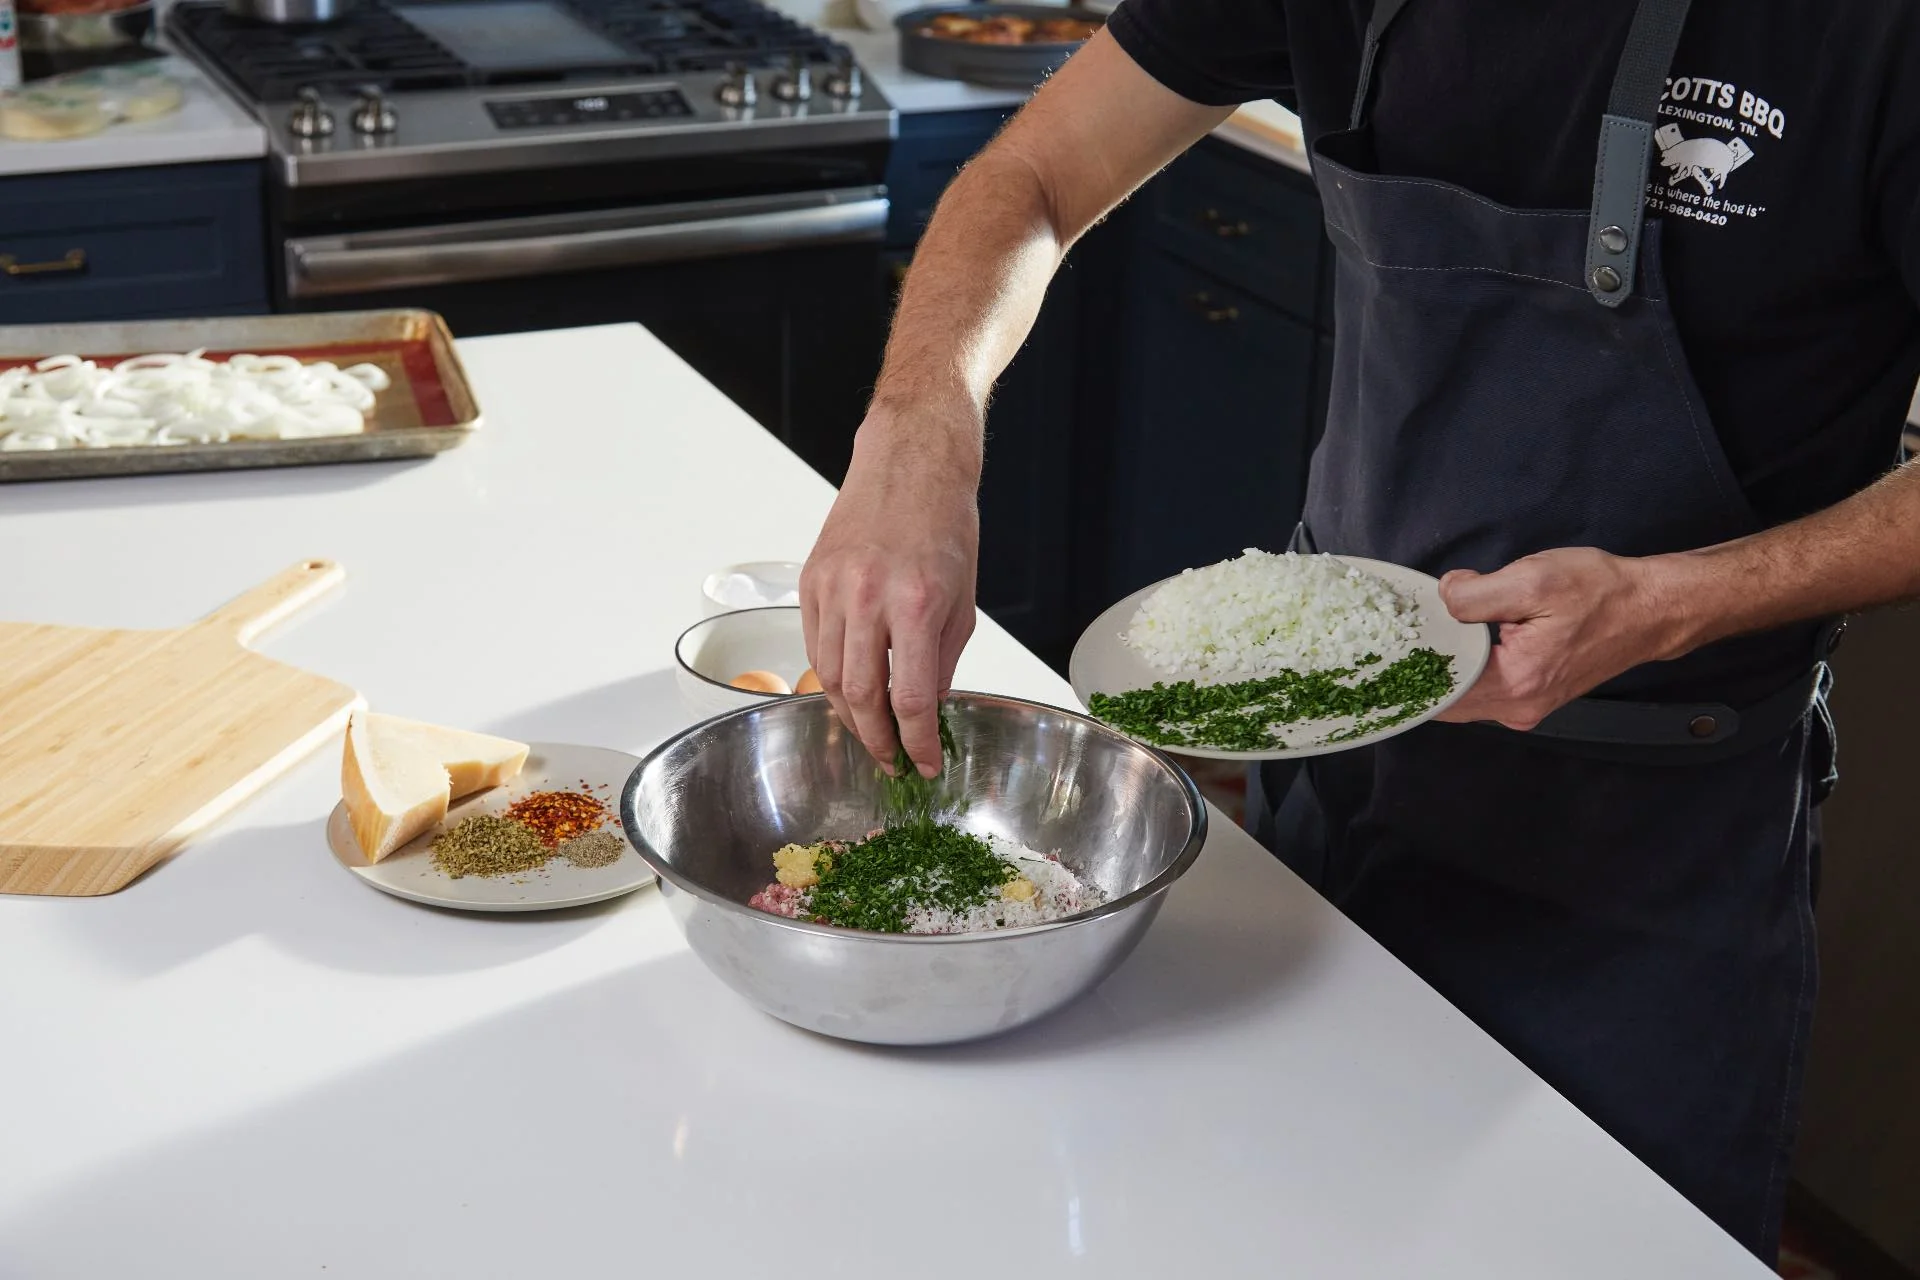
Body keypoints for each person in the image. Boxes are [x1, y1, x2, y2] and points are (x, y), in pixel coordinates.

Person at [798, 0, 1920, 1259]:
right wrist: (918, 430)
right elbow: (1038, 171)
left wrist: (1677, 601)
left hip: (1658, 856)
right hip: (1332, 789)